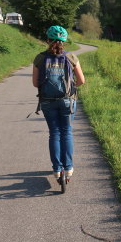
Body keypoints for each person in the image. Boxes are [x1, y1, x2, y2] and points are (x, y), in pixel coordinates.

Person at [32, 26, 85, 184]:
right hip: (67, 101)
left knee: (54, 133)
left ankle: (57, 169)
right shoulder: (71, 57)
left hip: (48, 101)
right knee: (66, 132)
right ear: (65, 41)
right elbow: (81, 81)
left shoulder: (40, 58)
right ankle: (68, 168)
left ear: (47, 40)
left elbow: (35, 83)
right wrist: (70, 88)